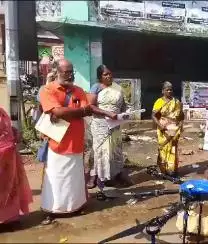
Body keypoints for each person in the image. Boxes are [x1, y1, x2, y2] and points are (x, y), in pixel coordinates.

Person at [39, 59, 118, 224]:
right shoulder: (48, 90)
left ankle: (76, 206)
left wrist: (104, 113)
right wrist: (77, 111)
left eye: (71, 72)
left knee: (74, 178)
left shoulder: (79, 91)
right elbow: (59, 112)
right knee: (56, 177)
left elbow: (87, 109)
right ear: (57, 72)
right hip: (57, 144)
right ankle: (54, 209)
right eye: (65, 72)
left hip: (76, 142)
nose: (69, 75)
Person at [87, 65, 129, 189]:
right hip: (100, 124)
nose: (109, 76)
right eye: (105, 74)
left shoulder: (118, 88)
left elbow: (123, 106)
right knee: (99, 150)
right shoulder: (96, 88)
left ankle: (113, 176)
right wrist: (107, 113)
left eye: (110, 73)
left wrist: (124, 114)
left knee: (114, 150)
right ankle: (95, 176)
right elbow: (91, 106)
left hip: (115, 124)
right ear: (100, 76)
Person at [0, 107, 33, 226]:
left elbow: (6, 128)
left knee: (9, 186)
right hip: (3, 154)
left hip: (8, 157)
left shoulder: (2, 112)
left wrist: (14, 132)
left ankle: (10, 218)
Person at [152, 81, 184, 177]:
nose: (169, 91)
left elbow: (181, 115)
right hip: (163, 129)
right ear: (163, 91)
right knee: (163, 148)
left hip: (174, 129)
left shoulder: (177, 102)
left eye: (171, 90)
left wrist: (180, 126)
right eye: (167, 90)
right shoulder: (159, 102)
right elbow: (153, 115)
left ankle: (171, 169)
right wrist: (160, 125)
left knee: (173, 149)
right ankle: (162, 170)